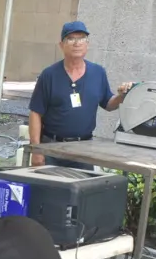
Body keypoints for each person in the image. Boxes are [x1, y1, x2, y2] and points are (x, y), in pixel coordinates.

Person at [28, 21, 134, 170]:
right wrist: (36, 150)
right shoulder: (49, 75)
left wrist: (122, 96)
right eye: (71, 39)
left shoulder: (98, 73)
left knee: (81, 190)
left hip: (83, 149)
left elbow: (108, 104)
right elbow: (35, 112)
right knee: (49, 191)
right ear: (61, 45)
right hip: (51, 148)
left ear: (87, 44)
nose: (77, 43)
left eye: (82, 38)